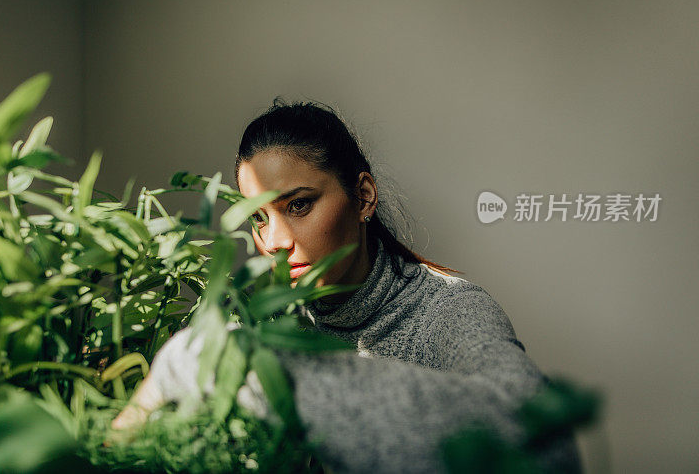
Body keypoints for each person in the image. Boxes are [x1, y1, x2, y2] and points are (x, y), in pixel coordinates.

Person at [111, 101, 581, 472]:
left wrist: (251, 375)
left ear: (363, 197)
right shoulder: (260, 315)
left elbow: (543, 445)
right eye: (258, 218)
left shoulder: (447, 312)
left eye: (298, 206)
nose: (272, 242)